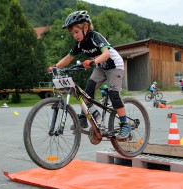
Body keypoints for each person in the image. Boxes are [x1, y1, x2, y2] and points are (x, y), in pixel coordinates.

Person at [47, 10, 130, 139]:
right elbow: (68, 58)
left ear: (85, 27)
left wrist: (93, 61)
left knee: (113, 93)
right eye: (72, 33)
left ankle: (125, 124)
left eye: (76, 32)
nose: (75, 35)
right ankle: (84, 119)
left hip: (115, 66)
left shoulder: (95, 36)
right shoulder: (79, 44)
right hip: (100, 67)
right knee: (87, 90)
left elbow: (106, 54)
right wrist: (55, 66)